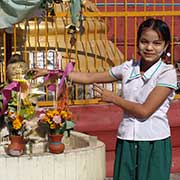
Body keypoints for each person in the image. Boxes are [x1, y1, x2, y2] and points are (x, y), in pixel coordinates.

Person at [31, 18, 177, 180]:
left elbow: (144, 111)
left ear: (165, 46)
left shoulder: (167, 73)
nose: (149, 48)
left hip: (153, 142)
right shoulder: (128, 68)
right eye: (144, 42)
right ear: (137, 43)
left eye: (157, 43)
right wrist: (55, 73)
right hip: (127, 138)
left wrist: (114, 98)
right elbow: (90, 76)